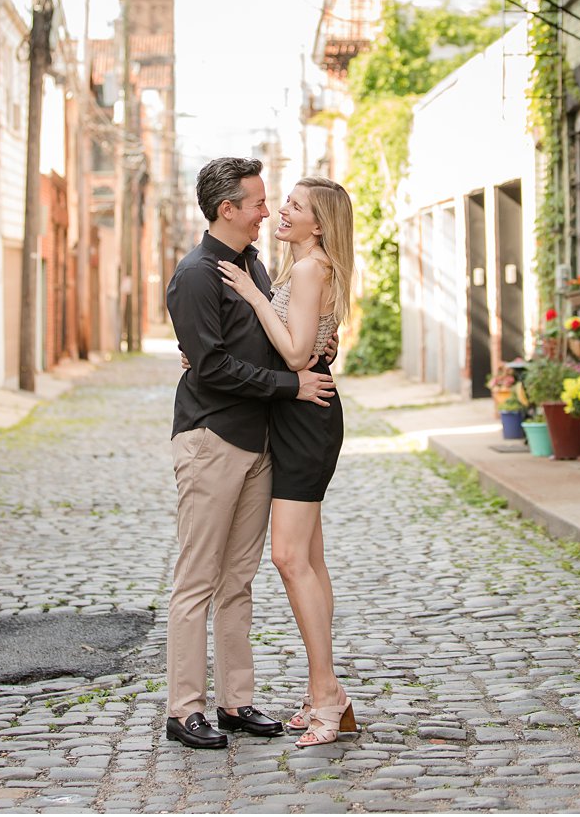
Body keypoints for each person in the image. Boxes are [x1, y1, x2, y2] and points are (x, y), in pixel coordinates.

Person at [163, 157, 336, 750]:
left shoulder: (256, 266)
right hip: (212, 439)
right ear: (227, 209)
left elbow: (273, 336)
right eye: (258, 203)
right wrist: (290, 385)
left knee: (239, 579)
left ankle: (235, 701)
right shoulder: (195, 274)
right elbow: (210, 367)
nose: (268, 211)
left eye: (271, 202)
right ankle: (184, 707)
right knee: (197, 579)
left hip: (262, 442)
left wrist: (318, 342)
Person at [217, 176, 357, 747]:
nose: (281, 212)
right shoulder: (302, 267)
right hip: (300, 414)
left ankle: (328, 695)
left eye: (295, 207)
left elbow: (297, 352)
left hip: (306, 419)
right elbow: (310, 340)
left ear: (318, 224)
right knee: (311, 562)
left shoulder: (307, 268)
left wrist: (252, 296)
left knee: (288, 557)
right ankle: (325, 693)